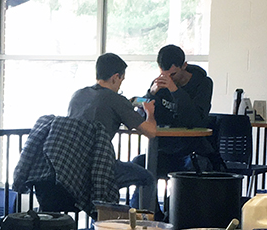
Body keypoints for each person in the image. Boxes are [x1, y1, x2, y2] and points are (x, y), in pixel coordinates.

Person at [67, 52, 159, 212]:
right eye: (121, 80)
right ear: (116, 77)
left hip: (71, 166)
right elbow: (151, 132)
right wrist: (149, 112)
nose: (120, 85)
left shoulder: (78, 95)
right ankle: (143, 223)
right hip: (99, 167)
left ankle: (103, 219)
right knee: (148, 178)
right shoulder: (116, 100)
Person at [133, 44, 214, 176]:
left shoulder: (203, 83)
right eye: (163, 74)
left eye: (173, 74)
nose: (169, 78)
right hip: (165, 148)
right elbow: (141, 104)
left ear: (184, 66)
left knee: (194, 167)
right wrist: (150, 93)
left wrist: (175, 91)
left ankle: (175, 198)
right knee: (140, 164)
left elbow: (195, 119)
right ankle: (144, 198)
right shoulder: (159, 83)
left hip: (193, 149)